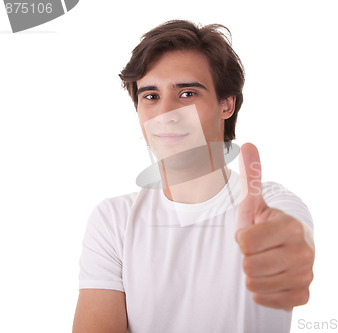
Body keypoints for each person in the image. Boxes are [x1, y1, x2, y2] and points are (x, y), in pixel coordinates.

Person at [72, 19, 315, 333]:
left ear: (226, 104)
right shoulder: (114, 220)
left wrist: (286, 248)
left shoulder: (272, 205)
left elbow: (293, 238)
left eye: (187, 94)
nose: (165, 114)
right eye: (150, 96)